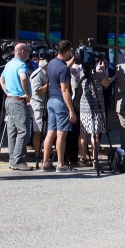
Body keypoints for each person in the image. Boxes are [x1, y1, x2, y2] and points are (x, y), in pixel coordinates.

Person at [42, 41, 78, 172]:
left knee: (50, 132)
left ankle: (45, 162)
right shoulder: (64, 69)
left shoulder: (51, 63)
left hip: (51, 100)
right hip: (60, 102)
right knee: (61, 134)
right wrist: (71, 109)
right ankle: (60, 164)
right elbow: (65, 90)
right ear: (68, 51)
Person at [1, 43, 34, 171]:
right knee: (23, 131)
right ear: (22, 52)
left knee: (12, 131)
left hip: (9, 100)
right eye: (27, 50)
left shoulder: (9, 64)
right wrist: (26, 94)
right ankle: (18, 159)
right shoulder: (21, 64)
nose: (29, 53)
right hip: (18, 101)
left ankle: (12, 158)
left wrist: (7, 92)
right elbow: (24, 77)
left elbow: (1, 80)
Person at [78, 51, 111, 168]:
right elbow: (107, 83)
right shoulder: (98, 74)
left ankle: (83, 158)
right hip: (97, 105)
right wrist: (103, 70)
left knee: (83, 133)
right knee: (95, 134)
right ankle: (95, 159)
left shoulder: (81, 72)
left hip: (84, 104)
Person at [28, 49, 49, 167]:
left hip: (46, 105)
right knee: (38, 132)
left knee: (46, 132)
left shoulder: (47, 73)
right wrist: (48, 85)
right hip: (38, 106)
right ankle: (38, 154)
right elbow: (35, 91)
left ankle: (45, 153)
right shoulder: (38, 74)